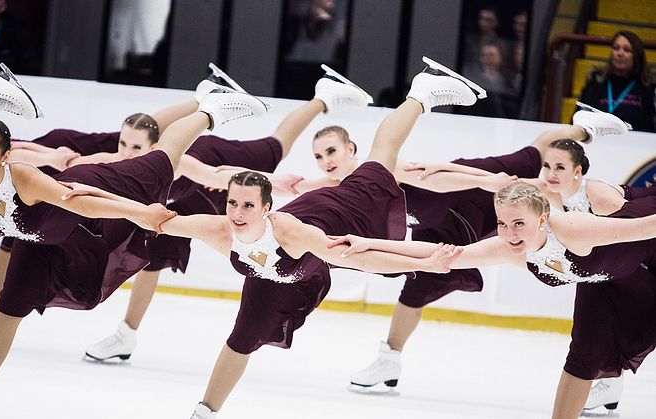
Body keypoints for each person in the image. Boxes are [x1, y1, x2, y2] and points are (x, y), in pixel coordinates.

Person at [128, 62, 481, 418]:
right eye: (232, 203)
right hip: (275, 270)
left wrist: (422, 264)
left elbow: (360, 258)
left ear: (266, 208)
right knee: (242, 336)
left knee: (383, 154)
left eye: (248, 205)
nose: (237, 212)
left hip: (350, 209)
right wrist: (98, 196)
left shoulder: (294, 234)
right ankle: (204, 412)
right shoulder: (218, 230)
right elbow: (155, 217)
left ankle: (421, 93)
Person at [0, 88, 267, 418]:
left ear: (6, 156)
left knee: (163, 160)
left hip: (93, 194)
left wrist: (140, 212)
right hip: (39, 243)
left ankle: (210, 109)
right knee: (9, 306)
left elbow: (80, 202)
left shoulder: (23, 178)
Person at [84, 75, 370, 362]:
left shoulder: (173, 160)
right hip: (190, 198)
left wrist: (287, 183)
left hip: (224, 171)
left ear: (156, 145)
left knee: (276, 145)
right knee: (151, 250)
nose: (128, 154)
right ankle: (126, 334)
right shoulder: (116, 162)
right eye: (123, 145)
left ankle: (324, 96)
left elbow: (218, 176)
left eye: (137, 148)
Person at [346, 108, 629, 393]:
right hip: (442, 227)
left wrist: (485, 180)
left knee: (534, 155)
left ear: (350, 151)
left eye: (331, 153)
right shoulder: (344, 190)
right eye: (319, 157)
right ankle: (390, 358)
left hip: (474, 190)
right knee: (415, 289)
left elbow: (433, 176)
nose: (326, 163)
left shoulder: (381, 167)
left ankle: (583, 129)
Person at [328, 181, 656, 419]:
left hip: (648, 256)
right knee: (582, 355)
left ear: (542, 220)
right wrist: (368, 242)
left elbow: (644, 227)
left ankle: (610, 383)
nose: (510, 233)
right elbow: (446, 255)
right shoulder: (507, 246)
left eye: (518, 224)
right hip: (605, 282)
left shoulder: (573, 229)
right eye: (502, 223)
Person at [578, 30, 655, 132]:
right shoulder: (596, 82)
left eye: (627, 50)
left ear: (636, 56)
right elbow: (578, 118)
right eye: (616, 48)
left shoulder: (647, 87)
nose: (620, 53)